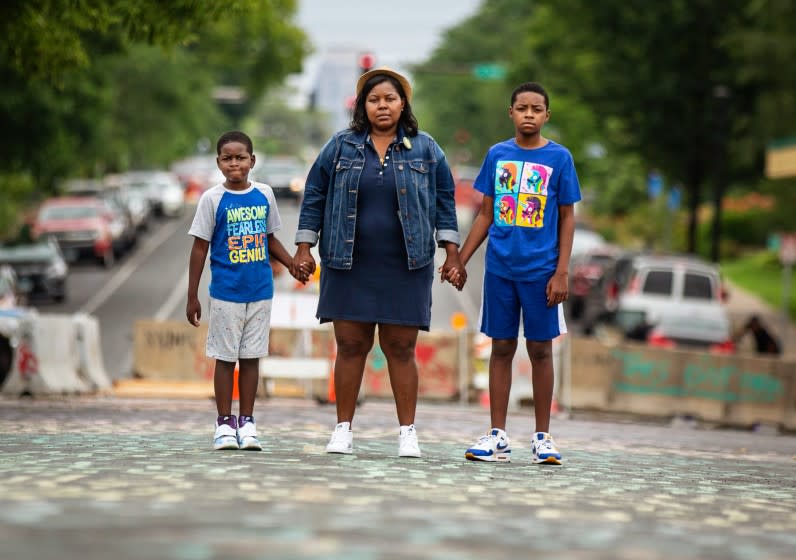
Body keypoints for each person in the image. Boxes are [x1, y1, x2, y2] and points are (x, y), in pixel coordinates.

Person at [293, 66, 462, 458]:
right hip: (346, 261)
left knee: (401, 348)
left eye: (389, 98)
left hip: (408, 263)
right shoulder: (340, 146)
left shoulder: (426, 148)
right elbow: (315, 193)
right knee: (350, 345)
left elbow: (445, 200)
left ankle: (407, 433)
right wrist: (305, 245)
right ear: (362, 106)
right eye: (374, 100)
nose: (382, 106)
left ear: (403, 103)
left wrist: (451, 250)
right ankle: (342, 430)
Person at [444, 82, 581, 465]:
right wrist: (461, 259)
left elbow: (568, 217)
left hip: (542, 272)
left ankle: (543, 437)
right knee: (501, 347)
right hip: (501, 270)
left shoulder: (560, 159)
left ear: (546, 116)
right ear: (511, 113)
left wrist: (562, 271)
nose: (529, 114)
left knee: (540, 349)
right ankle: (497, 435)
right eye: (522, 108)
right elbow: (486, 214)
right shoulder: (497, 155)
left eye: (537, 109)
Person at [187, 130, 302, 451]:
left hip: (260, 291)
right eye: (227, 158)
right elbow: (199, 248)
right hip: (225, 292)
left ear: (252, 161)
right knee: (226, 358)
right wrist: (192, 295)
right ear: (219, 163)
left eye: (240, 158)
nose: (234, 164)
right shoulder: (212, 199)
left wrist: (292, 263)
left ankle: (247, 422)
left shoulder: (264, 194)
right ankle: (224, 423)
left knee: (251, 357)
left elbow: (269, 239)